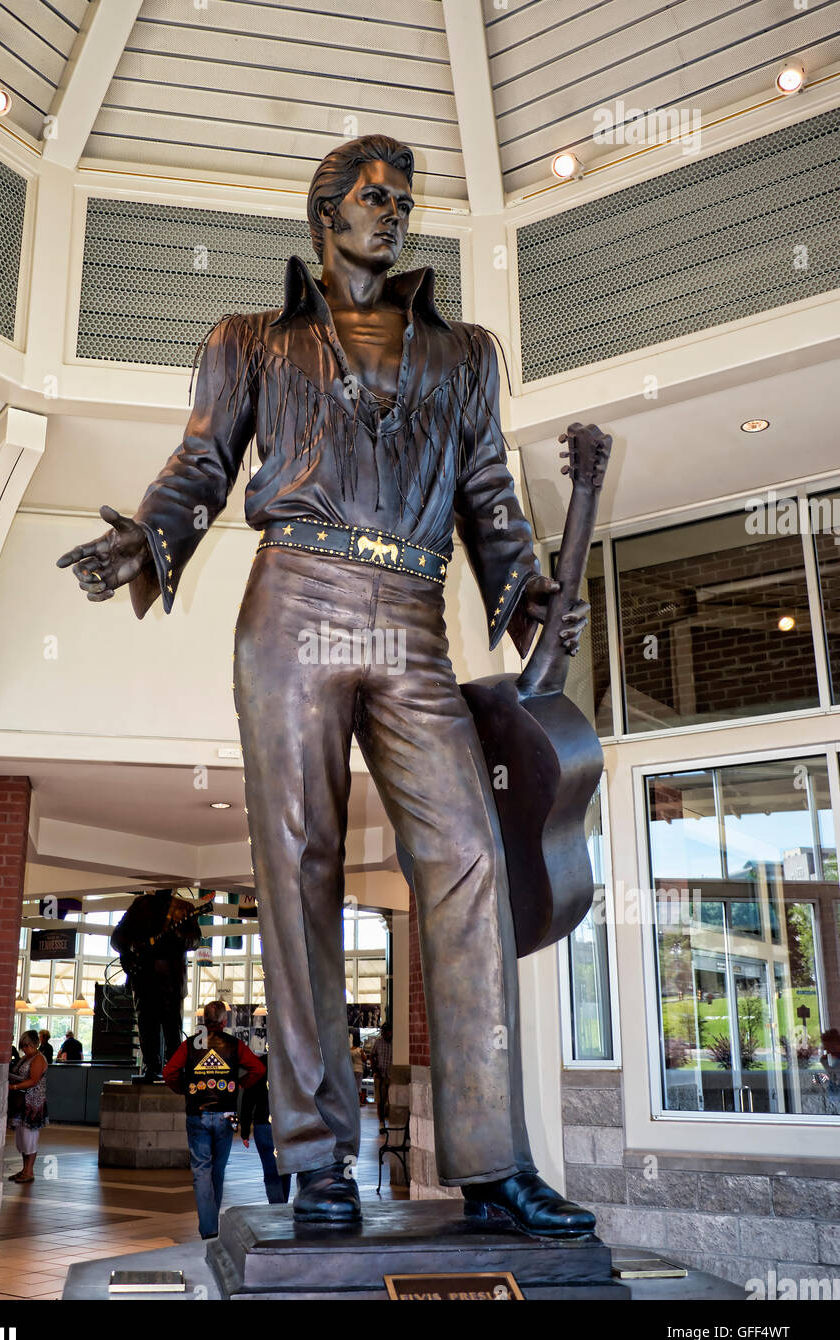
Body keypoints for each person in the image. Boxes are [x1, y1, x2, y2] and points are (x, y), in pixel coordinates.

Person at [58, 133, 593, 1236]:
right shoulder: (251, 339)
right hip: (292, 602)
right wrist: (147, 540)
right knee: (293, 869)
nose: (393, 210)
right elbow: (201, 463)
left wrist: (529, 592)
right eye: (372, 195)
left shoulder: (464, 352)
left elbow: (490, 493)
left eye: (404, 197)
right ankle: (316, 1162)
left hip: (412, 616)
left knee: (470, 856)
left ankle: (491, 1163)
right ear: (323, 215)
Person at [163, 1000, 265, 1238]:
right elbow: (258, 1069)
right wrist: (239, 1085)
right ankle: (212, 1225)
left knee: (201, 1171)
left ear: (203, 1020)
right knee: (217, 1171)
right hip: (228, 1114)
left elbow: (169, 1072)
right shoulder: (234, 1045)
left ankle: (209, 1229)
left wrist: (185, 1089)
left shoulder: (190, 1044)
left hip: (197, 1114)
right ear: (224, 1021)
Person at [110, 889, 212, 1081]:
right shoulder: (139, 906)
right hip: (143, 978)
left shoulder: (184, 908)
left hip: (171, 980)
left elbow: (196, 940)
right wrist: (133, 947)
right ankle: (151, 1066)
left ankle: (173, 1069)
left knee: (172, 1028)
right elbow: (116, 938)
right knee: (146, 1027)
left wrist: (178, 936)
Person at [240, 1066, 290, 1205]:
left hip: (263, 1124)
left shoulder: (258, 1067)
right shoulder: (290, 1064)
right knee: (285, 1170)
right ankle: (282, 1207)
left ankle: (276, 1208)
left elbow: (247, 1101)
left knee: (271, 1172)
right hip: (286, 1124)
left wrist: (244, 1131)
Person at [8, 1031, 48, 1183]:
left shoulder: (38, 1059)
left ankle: (29, 1171)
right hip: (21, 1101)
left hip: (32, 1103)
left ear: (34, 1044)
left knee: (29, 1137)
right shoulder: (27, 1058)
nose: (24, 1049)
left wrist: (13, 1087)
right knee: (21, 1138)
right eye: (23, 1046)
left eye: (27, 1046)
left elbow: (33, 1080)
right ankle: (24, 1170)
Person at [370, 1021, 393, 1131]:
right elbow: (372, 1056)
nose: (383, 1034)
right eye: (382, 1032)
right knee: (381, 1100)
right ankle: (381, 1122)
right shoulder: (378, 1042)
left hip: (392, 1076)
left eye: (386, 1032)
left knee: (392, 1100)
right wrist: (375, 1070)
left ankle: (392, 1121)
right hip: (381, 1075)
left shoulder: (395, 1043)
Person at [349, 1030, 365, 1107]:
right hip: (359, 1069)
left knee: (352, 1086)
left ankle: (352, 1102)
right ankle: (357, 1102)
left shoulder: (350, 1050)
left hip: (352, 1069)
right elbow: (364, 1059)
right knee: (358, 1086)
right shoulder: (360, 1050)